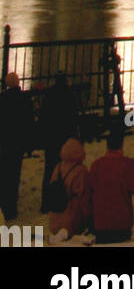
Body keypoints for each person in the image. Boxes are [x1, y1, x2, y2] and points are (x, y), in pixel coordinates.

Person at [88, 123, 134, 244]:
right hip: (122, 221)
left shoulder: (96, 165)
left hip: (101, 221)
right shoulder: (127, 165)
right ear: (121, 146)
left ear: (107, 146)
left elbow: (89, 190)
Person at [39, 71, 79, 211]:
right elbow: (74, 117)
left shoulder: (49, 95)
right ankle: (61, 200)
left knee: (49, 169)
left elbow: (43, 116)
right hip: (65, 138)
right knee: (65, 170)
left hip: (52, 138)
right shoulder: (69, 95)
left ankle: (46, 202)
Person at [0, 71, 35, 221]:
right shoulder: (24, 99)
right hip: (18, 143)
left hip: (5, 142)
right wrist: (29, 144)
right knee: (14, 175)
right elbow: (29, 123)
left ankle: (4, 206)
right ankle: (11, 207)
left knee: (4, 175)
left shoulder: (3, 99)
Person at [46, 136, 90, 241]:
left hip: (55, 217)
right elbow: (83, 196)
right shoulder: (81, 170)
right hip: (72, 218)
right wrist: (88, 218)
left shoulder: (58, 167)